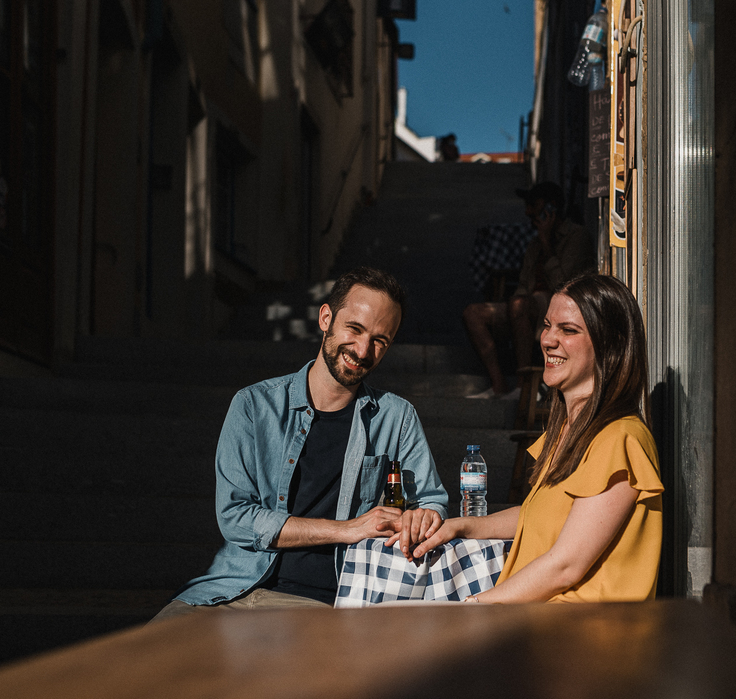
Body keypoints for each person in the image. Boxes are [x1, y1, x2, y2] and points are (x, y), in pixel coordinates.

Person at [152, 268, 448, 621]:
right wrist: (347, 530)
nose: (363, 350)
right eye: (354, 329)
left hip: (318, 602)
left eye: (380, 341)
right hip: (228, 589)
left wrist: (422, 518)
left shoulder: (396, 418)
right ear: (326, 318)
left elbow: (432, 503)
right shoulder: (253, 406)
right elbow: (235, 518)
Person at [408, 273, 662, 602]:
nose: (547, 340)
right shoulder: (568, 431)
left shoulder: (620, 438)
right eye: (547, 325)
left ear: (608, 343)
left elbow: (566, 565)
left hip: (585, 638)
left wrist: (475, 607)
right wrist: (460, 525)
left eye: (568, 330)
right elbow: (535, 516)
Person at [463, 181, 596, 399]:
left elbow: (565, 287)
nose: (528, 211)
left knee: (519, 305)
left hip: (559, 306)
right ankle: (499, 385)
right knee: (473, 313)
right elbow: (524, 284)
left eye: (533, 205)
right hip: (528, 305)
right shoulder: (534, 243)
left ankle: (523, 386)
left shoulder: (576, 236)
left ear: (551, 207)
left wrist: (546, 243)